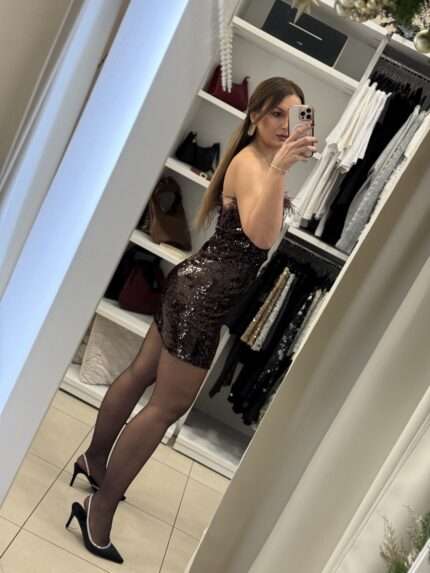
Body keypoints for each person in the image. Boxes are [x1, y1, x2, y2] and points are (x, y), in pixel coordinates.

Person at [65, 76, 317, 564]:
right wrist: (281, 169)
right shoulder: (253, 165)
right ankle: (100, 507)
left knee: (140, 375)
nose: (286, 125)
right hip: (203, 299)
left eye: (294, 116)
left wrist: (280, 169)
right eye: (276, 114)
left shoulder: (258, 163)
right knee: (166, 408)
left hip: (193, 285)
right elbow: (262, 238)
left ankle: (94, 461)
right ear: (254, 117)